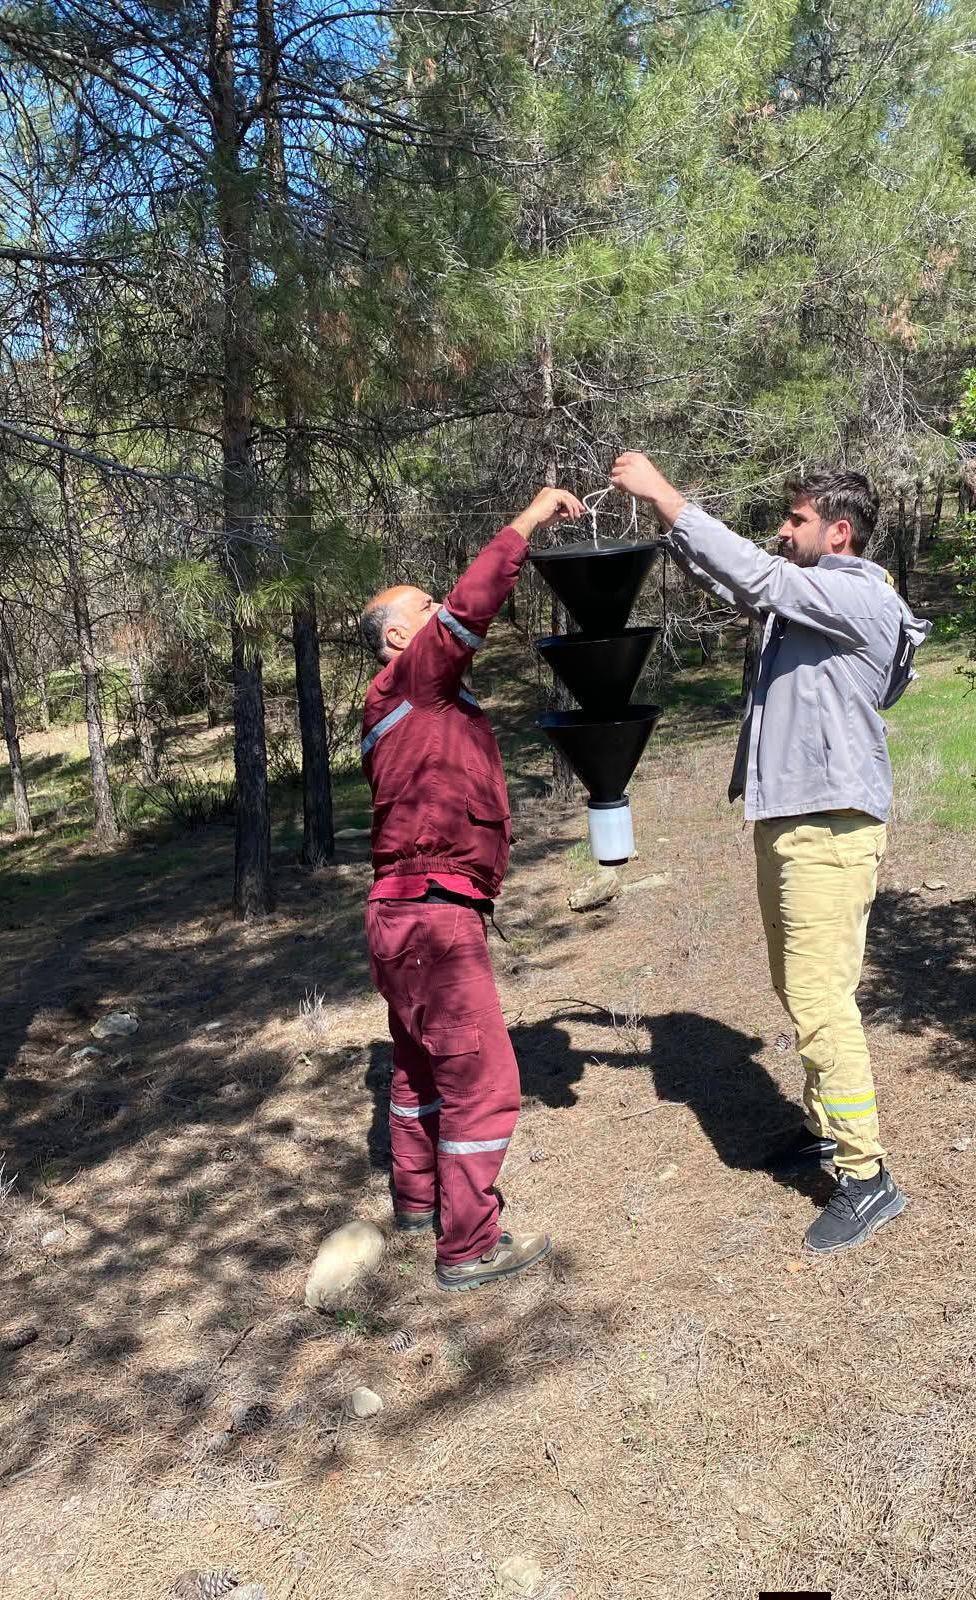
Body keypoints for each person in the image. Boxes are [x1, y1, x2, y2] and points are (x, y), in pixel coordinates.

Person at [608, 451, 930, 1255]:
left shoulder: (859, 596)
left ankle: (867, 1178)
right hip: (795, 821)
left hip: (828, 828)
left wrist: (668, 496)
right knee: (802, 992)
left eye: (797, 521)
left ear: (840, 532)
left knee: (823, 1005)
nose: (783, 532)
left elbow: (758, 578)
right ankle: (829, 1135)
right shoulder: (819, 597)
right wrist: (664, 522)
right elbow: (740, 582)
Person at [359, 484, 585, 1291]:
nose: (437, 610)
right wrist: (527, 521)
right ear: (397, 635)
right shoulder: (411, 683)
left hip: (401, 915)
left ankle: (418, 1206)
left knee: (421, 1068)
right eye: (421, 606)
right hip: (430, 916)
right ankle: (468, 1247)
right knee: (484, 1085)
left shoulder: (416, 702)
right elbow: (469, 606)